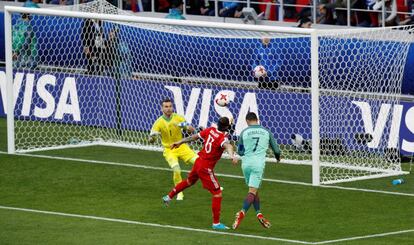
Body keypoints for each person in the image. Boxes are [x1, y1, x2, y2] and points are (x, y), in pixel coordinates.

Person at [162, 117, 238, 230]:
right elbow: (228, 145)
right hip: (205, 168)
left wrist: (180, 141)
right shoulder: (223, 137)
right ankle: (216, 223)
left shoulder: (210, 130)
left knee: (189, 181)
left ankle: (168, 196)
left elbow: (194, 137)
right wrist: (232, 155)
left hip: (198, 161)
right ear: (227, 127)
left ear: (217, 124)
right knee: (217, 193)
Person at [232, 112, 281, 230]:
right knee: (252, 191)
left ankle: (259, 214)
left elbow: (241, 151)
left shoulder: (244, 132)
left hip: (246, 164)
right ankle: (241, 213)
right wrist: (278, 158)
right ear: (257, 119)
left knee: (253, 189)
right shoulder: (266, 131)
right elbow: (276, 149)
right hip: (258, 164)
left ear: (247, 121)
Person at [149, 98, 198, 201]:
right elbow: (151, 140)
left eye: (170, 106)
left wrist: (187, 128)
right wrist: (152, 138)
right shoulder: (158, 122)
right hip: (169, 150)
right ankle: (179, 193)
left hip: (182, 147)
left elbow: (191, 130)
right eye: (166, 107)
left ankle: (214, 186)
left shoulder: (178, 118)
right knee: (177, 170)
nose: (168, 108)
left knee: (200, 163)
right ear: (162, 108)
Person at [12, 1, 39, 70]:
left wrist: (14, 53)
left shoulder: (15, 26)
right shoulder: (28, 27)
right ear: (29, 15)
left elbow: (11, 41)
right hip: (28, 60)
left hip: (15, 59)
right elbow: (26, 43)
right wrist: (17, 53)